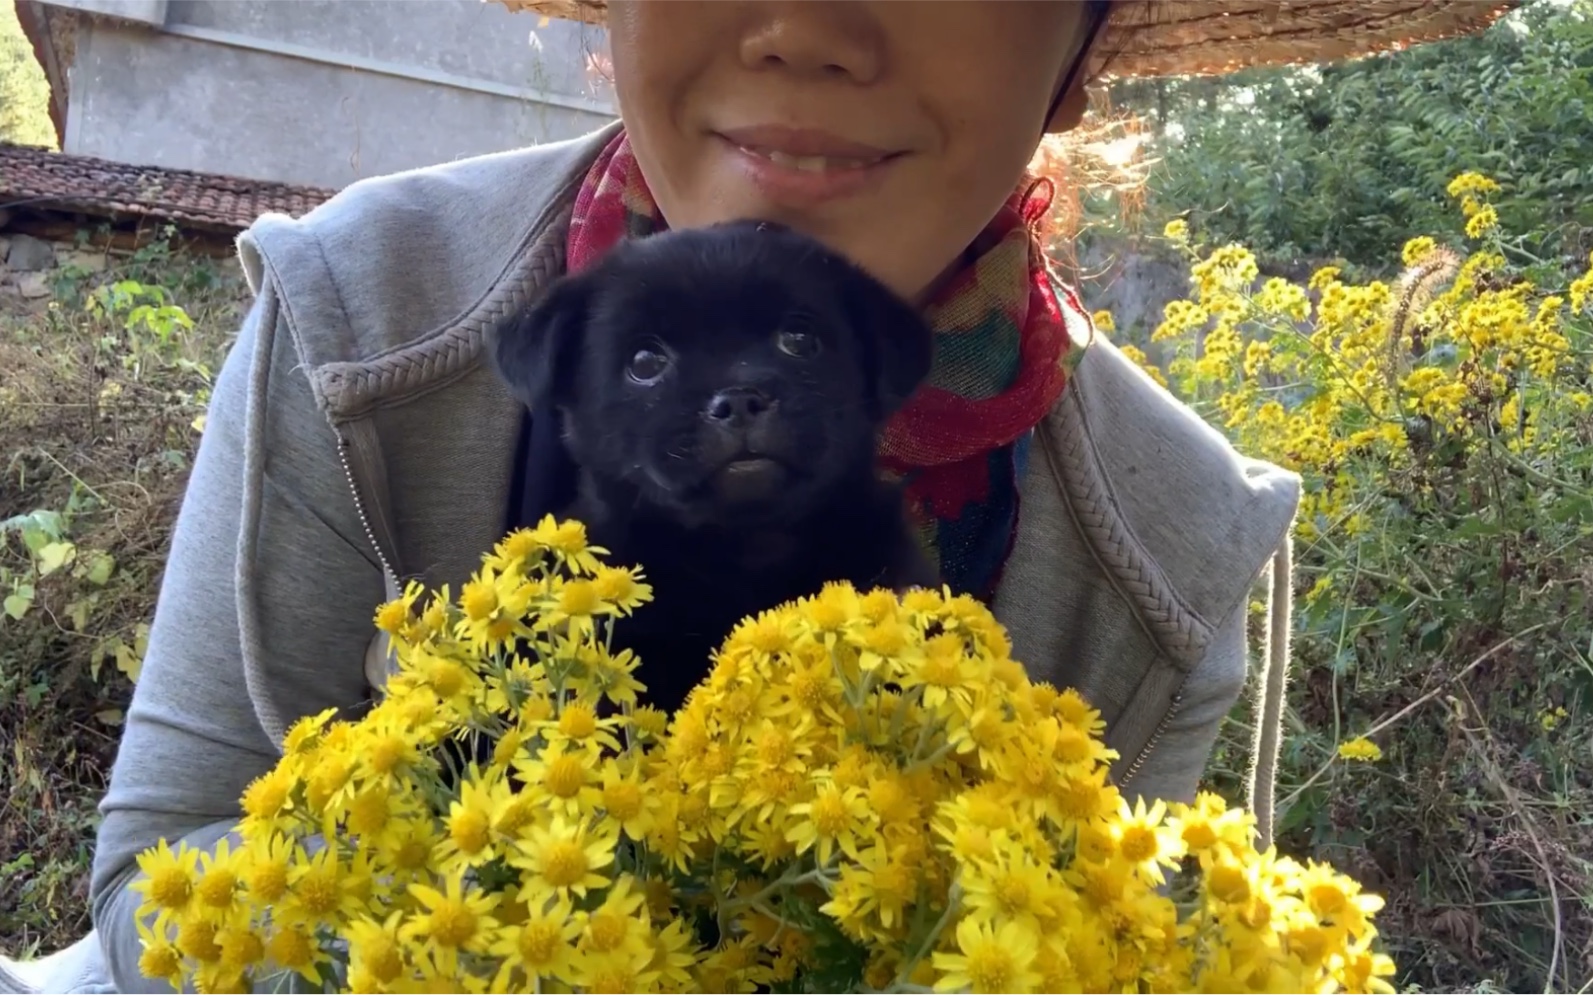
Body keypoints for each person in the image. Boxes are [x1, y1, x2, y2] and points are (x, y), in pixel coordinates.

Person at [0, 2, 1516, 993]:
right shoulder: (364, 311)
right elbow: (166, 884)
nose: (806, 28)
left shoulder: (1168, 549)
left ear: (1075, 56)